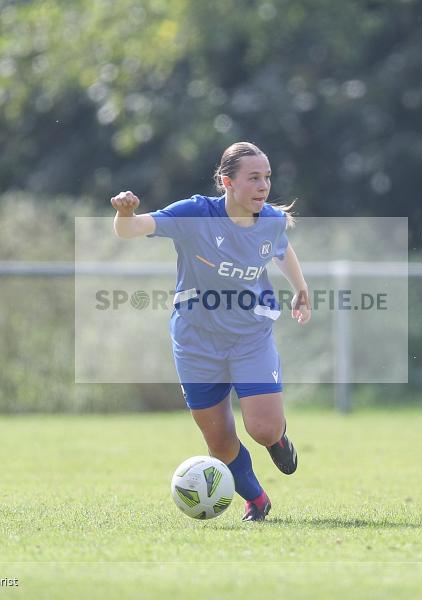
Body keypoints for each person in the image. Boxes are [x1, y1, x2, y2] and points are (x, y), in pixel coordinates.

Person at [110, 141, 311, 521]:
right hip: (196, 341)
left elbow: (281, 249)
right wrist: (125, 213)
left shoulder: (269, 220)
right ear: (227, 182)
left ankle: (278, 439)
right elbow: (130, 230)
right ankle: (257, 500)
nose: (264, 186)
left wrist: (300, 288)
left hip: (250, 337)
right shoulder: (195, 214)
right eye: (254, 178)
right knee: (219, 442)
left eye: (267, 177)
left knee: (263, 429)